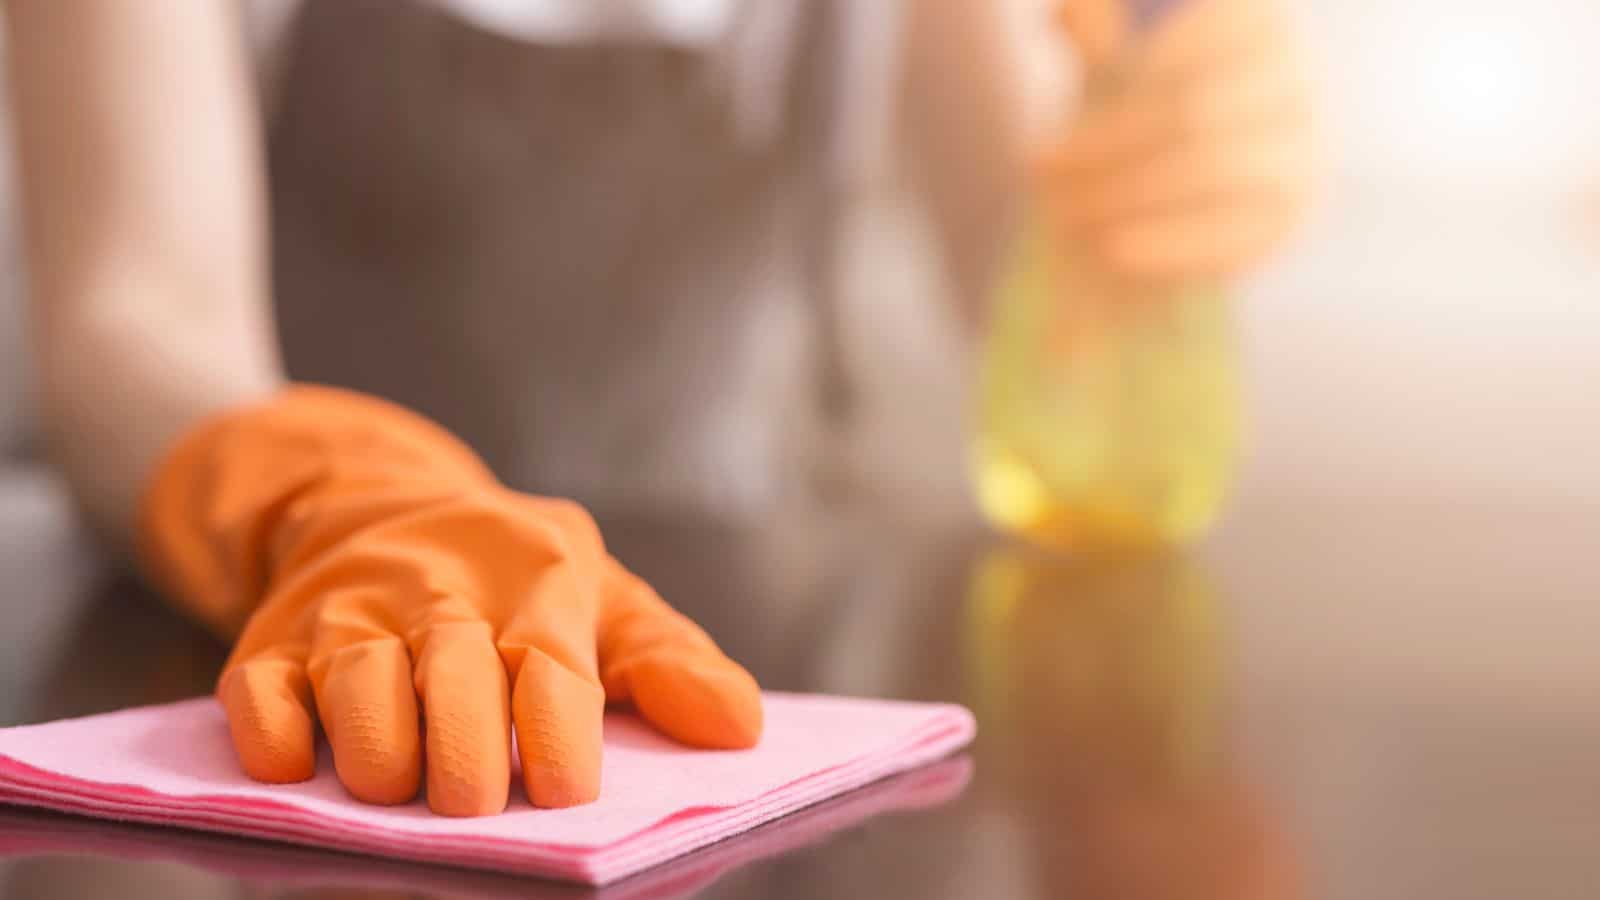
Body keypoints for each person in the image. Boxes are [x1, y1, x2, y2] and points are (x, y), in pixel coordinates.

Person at [1, 0, 1312, 816]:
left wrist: (1155, 158)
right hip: (304, 633)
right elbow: (136, 315)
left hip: (709, 657)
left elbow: (1016, 258)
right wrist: (333, 497)